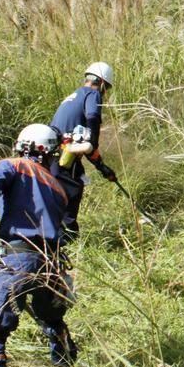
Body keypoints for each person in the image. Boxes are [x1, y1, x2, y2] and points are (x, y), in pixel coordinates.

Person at [0, 124, 78, 367]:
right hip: (50, 263)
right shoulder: (58, 188)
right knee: (53, 321)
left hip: (18, 257)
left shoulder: (12, 165)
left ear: (24, 145)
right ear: (48, 152)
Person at [50, 62, 117, 240]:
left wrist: (101, 167)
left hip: (53, 154)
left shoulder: (74, 95)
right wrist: (93, 143)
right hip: (63, 156)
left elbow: (82, 142)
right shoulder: (93, 94)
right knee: (71, 192)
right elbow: (93, 118)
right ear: (102, 84)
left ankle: (56, 238)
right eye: (106, 88)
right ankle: (65, 241)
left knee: (75, 178)